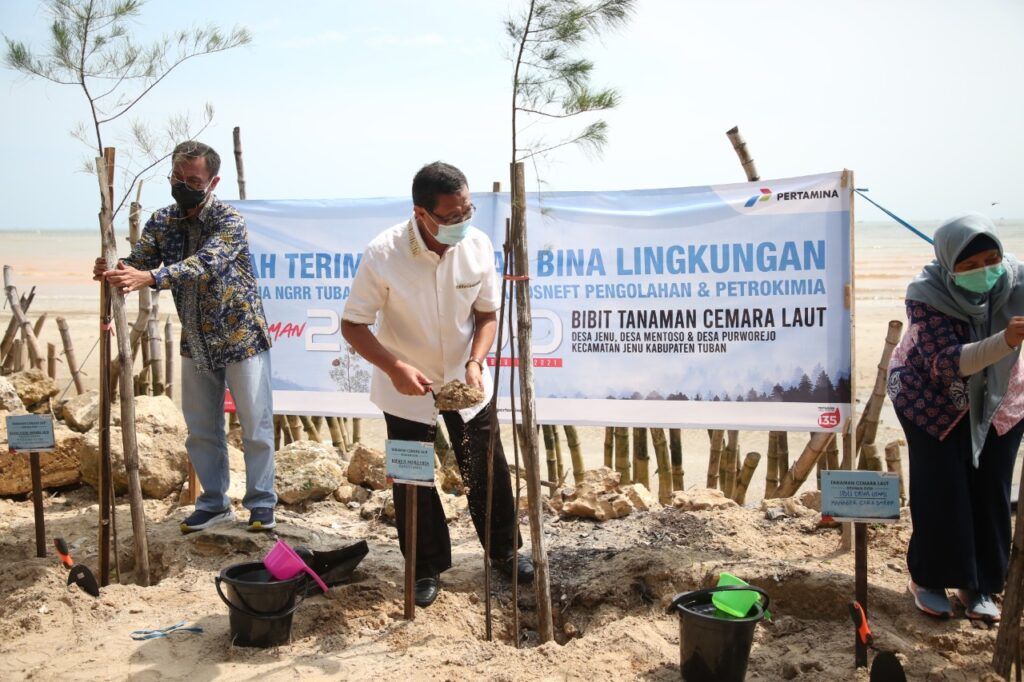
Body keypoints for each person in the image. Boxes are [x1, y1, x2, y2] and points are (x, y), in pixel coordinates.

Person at [341, 161, 533, 607]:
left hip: (466, 382)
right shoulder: (384, 253)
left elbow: (486, 314)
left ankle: (504, 552)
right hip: (406, 388)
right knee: (413, 476)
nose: (461, 222)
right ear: (420, 213)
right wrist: (395, 367)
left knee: (487, 468)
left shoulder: (478, 245)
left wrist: (476, 361)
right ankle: (425, 567)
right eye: (450, 216)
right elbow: (354, 325)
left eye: (467, 211)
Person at [93, 141, 277, 534]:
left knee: (255, 425)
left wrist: (152, 278)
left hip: (241, 339)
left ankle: (262, 504)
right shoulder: (162, 221)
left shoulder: (228, 221)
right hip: (195, 340)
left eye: (192, 179)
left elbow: (205, 263)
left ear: (213, 181)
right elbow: (138, 262)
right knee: (201, 429)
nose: (182, 184)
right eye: (177, 177)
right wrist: (115, 269)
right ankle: (213, 504)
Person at [888, 212, 1024, 622]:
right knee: (941, 487)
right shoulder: (926, 294)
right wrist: (1005, 340)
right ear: (948, 266)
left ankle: (980, 584)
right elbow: (947, 364)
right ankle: (928, 579)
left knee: (992, 488)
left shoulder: (1016, 281)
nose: (983, 272)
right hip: (930, 400)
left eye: (990, 260)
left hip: (1003, 398)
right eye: (967, 266)